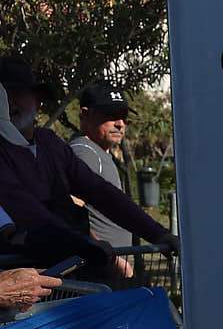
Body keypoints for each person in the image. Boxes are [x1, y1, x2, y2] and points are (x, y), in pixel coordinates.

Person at [0, 55, 172, 279]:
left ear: (38, 100)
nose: (10, 104)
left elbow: (100, 191)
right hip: (27, 282)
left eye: (17, 95)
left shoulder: (50, 144)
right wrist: (85, 245)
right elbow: (26, 209)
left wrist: (158, 234)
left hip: (72, 274)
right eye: (3, 96)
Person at [67, 84, 142, 278]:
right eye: (110, 115)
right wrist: (115, 260)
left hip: (108, 273)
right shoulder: (85, 152)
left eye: (123, 116)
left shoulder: (98, 153)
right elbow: (69, 213)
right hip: (98, 274)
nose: (120, 123)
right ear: (85, 114)